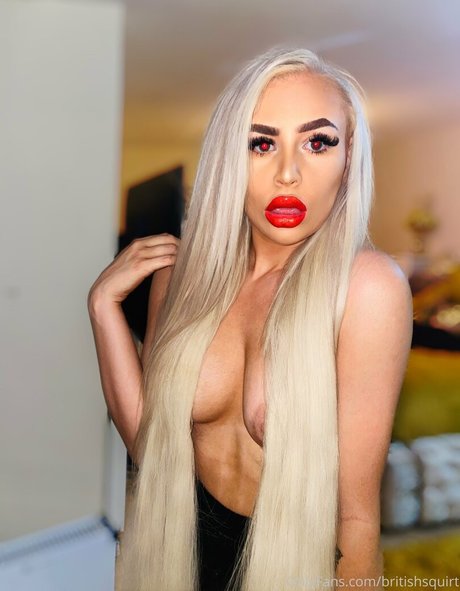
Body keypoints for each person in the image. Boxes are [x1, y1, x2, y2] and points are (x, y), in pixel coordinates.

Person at [87, 46, 413, 591]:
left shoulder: (367, 288)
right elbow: (155, 448)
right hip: (173, 562)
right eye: (261, 143)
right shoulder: (183, 279)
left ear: (350, 156)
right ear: (228, 156)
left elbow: (356, 520)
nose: (288, 173)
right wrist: (103, 310)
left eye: (318, 142)